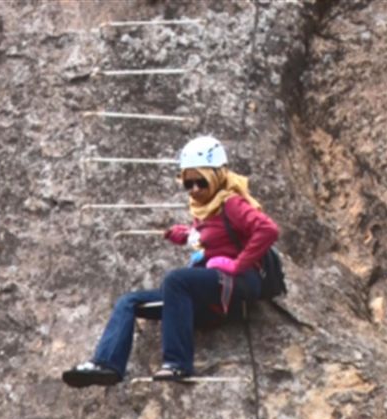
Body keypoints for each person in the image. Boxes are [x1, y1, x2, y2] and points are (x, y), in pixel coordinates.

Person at [62, 136, 279, 387]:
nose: (195, 189)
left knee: (176, 281)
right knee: (129, 301)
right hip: (210, 288)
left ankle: (177, 364)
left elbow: (268, 230)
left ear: (217, 176)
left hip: (238, 283)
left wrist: (238, 264)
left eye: (201, 181)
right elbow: (212, 236)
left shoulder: (232, 204)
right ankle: (106, 364)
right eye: (188, 183)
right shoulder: (205, 208)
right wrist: (186, 235)